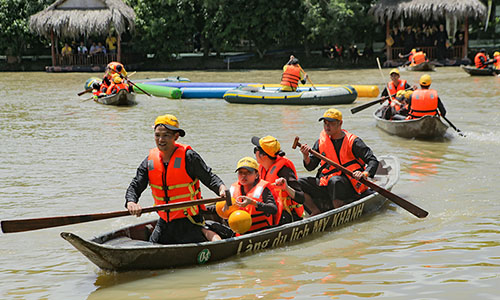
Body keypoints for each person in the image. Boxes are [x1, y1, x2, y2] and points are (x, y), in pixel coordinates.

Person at [125, 114, 227, 244]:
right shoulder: (150, 162)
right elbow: (136, 185)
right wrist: (131, 201)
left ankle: (206, 232)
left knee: (200, 238)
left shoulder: (189, 157)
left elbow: (209, 177)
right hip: (164, 223)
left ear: (176, 137)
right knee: (152, 247)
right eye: (157, 135)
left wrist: (221, 188)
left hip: (189, 221)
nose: (160, 139)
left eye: (166, 135)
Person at [298, 109, 379, 215]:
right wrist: (305, 156)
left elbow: (373, 160)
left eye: (331, 124)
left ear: (340, 123)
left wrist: (364, 174)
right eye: (325, 124)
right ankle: (314, 211)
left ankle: (339, 212)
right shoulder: (320, 142)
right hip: (326, 184)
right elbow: (310, 166)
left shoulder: (353, 142)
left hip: (349, 184)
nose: (327, 127)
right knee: (299, 183)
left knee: (335, 181)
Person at [251, 136, 304, 225]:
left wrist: (286, 187)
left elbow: (301, 198)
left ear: (263, 156)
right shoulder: (260, 170)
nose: (254, 152)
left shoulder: (284, 170)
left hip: (286, 215)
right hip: (268, 210)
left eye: (255, 150)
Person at [230, 157, 277, 234]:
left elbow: (273, 209)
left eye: (248, 172)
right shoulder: (233, 189)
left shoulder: (263, 189)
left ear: (256, 175)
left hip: (261, 232)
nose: (243, 176)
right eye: (240, 172)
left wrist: (253, 203)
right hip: (239, 233)